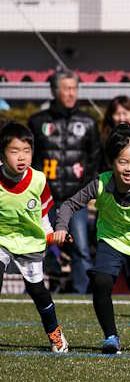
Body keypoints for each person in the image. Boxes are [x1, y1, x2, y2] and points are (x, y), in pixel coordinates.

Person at [53, 124, 130, 354]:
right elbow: (70, 205)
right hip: (110, 240)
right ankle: (111, 336)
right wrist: (61, 226)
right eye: (123, 162)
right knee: (101, 283)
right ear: (111, 161)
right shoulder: (100, 183)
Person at [28, 70, 101, 294]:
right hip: (44, 197)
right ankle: (38, 288)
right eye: (66, 88)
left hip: (75, 198)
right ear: (54, 91)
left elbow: (94, 159)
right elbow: (30, 158)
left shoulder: (88, 122)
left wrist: (86, 193)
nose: (71, 93)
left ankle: (83, 293)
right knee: (40, 246)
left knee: (80, 248)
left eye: (74, 89)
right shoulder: (37, 121)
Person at [0, 122, 68, 352]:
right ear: (2, 154)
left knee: (38, 291)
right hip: (3, 240)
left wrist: (52, 236)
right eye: (14, 151)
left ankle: (55, 333)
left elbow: (44, 215)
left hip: (30, 242)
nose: (21, 157)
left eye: (26, 151)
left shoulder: (38, 180)